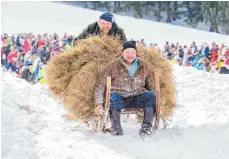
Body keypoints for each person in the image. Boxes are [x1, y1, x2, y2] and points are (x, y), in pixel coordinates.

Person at [94, 41, 156, 137]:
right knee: (113, 97)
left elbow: (151, 85)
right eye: (127, 52)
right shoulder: (112, 66)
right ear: (122, 53)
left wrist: (156, 102)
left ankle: (146, 128)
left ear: (136, 54)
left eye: (132, 52)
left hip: (138, 96)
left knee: (151, 97)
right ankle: (116, 129)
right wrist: (99, 103)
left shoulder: (144, 65)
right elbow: (100, 85)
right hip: (120, 97)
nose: (130, 55)